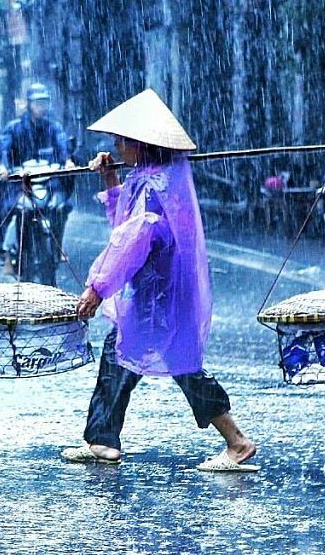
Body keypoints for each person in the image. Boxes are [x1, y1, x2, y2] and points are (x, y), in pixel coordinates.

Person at [61, 89, 259, 472]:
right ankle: (104, 439)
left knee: (158, 360)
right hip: (162, 292)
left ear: (141, 145)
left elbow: (130, 240)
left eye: (121, 142)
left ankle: (235, 441)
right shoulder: (156, 178)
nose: (116, 147)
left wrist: (97, 287)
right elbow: (126, 227)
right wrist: (112, 178)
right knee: (154, 359)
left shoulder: (154, 186)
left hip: (158, 295)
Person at [0, 82, 75, 271]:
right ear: (29, 104)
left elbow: (62, 145)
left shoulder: (53, 127)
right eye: (37, 102)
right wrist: (4, 166)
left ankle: (57, 246)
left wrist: (68, 160)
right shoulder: (14, 128)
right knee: (8, 208)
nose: (41, 106)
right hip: (20, 181)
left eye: (44, 102)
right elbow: (4, 148)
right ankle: (5, 251)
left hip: (47, 181)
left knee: (61, 205)